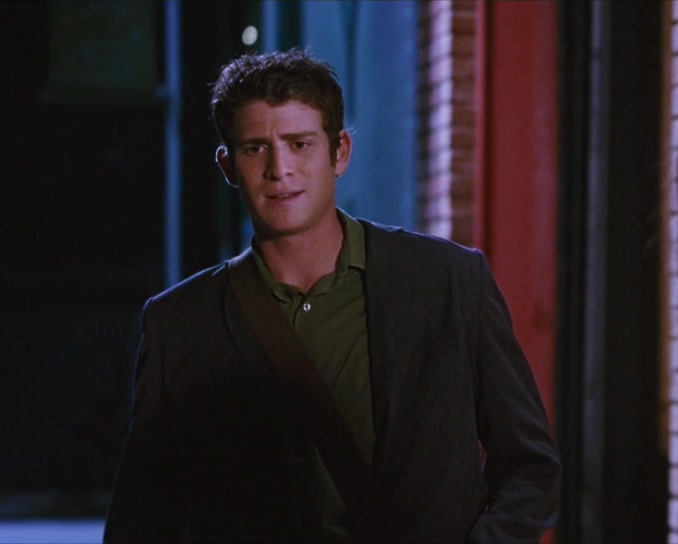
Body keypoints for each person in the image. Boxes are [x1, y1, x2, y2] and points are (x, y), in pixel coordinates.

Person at [103, 47, 560, 543]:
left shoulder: (447, 281)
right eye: (255, 149)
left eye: (299, 144)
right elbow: (142, 516)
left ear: (339, 151)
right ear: (228, 166)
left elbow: (531, 466)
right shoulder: (180, 323)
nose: (279, 169)